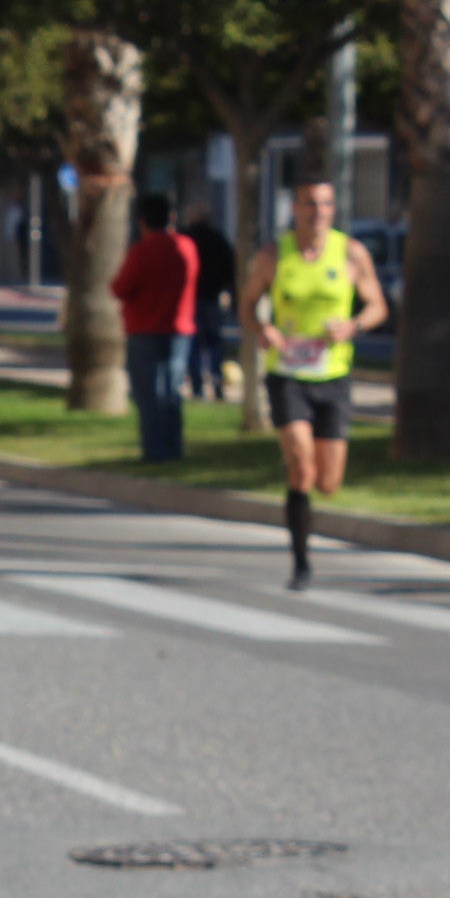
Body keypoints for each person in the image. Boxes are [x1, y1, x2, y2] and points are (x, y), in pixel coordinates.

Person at [244, 178, 386, 590]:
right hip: (288, 374)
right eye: (310, 204)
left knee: (328, 483)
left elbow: (378, 305)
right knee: (302, 465)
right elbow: (248, 302)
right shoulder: (274, 256)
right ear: (296, 209)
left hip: (334, 375)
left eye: (325, 204)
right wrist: (262, 328)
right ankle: (302, 564)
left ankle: (303, 488)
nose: (318, 212)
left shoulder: (351, 254)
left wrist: (354, 324)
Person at [110, 190, 195, 464]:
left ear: (142, 221)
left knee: (148, 393)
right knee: (172, 390)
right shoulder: (186, 247)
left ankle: (155, 450)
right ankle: (174, 446)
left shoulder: (141, 251)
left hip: (144, 329)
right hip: (179, 329)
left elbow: (121, 287)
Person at [183, 206, 236, 398]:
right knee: (214, 344)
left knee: (194, 345)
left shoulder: (186, 238)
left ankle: (197, 386)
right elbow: (229, 268)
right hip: (212, 298)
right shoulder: (217, 239)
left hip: (191, 300)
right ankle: (217, 383)